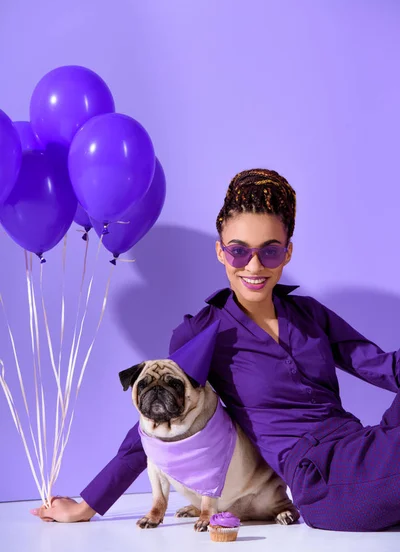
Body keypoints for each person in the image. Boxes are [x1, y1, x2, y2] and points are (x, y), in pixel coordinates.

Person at [31, 168, 400, 531]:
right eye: (239, 252)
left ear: (287, 253)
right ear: (221, 253)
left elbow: (383, 366)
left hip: (364, 445)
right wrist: (88, 504)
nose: (254, 266)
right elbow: (153, 418)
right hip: (321, 477)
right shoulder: (203, 331)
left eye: (270, 252)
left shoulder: (309, 314)